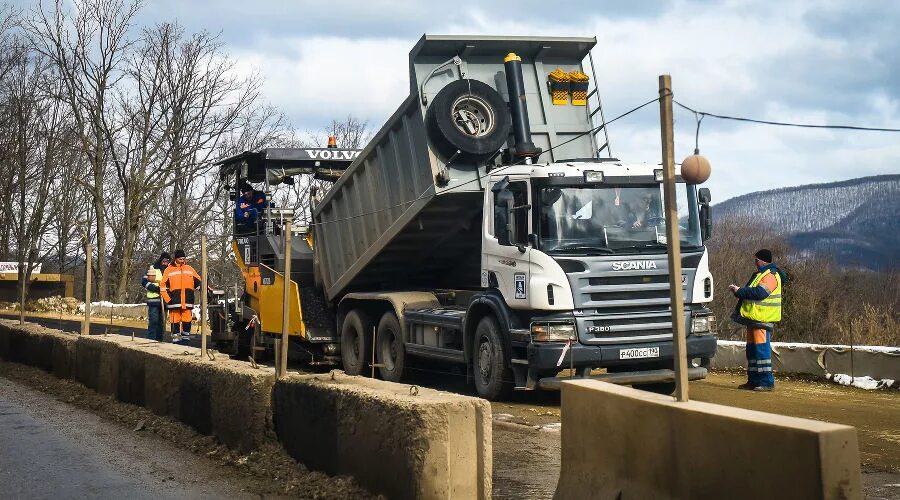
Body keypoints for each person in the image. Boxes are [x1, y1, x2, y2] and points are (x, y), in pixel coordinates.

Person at [728, 249, 787, 392]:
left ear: (762, 260)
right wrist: (740, 291)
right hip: (754, 319)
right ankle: (753, 381)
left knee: (761, 352)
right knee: (753, 351)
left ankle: (766, 382)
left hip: (762, 319)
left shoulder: (771, 275)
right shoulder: (762, 274)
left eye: (756, 260)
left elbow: (759, 293)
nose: (755, 262)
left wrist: (739, 290)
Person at [160, 249, 201, 344]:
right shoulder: (168, 270)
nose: (182, 260)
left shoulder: (189, 269)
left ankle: (186, 337)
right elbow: (162, 286)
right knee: (175, 320)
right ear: (176, 258)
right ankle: (176, 339)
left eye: (183, 258)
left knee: (187, 319)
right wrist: (168, 299)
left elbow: (198, 282)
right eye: (180, 259)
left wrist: (205, 289)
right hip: (174, 301)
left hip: (187, 300)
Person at [141, 252, 171, 342]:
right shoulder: (153, 268)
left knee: (162, 323)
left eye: (167, 261)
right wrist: (155, 288)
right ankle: (151, 340)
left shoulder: (170, 270)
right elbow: (144, 282)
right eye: (164, 261)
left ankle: (159, 340)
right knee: (154, 321)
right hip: (154, 300)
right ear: (161, 260)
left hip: (164, 301)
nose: (165, 263)